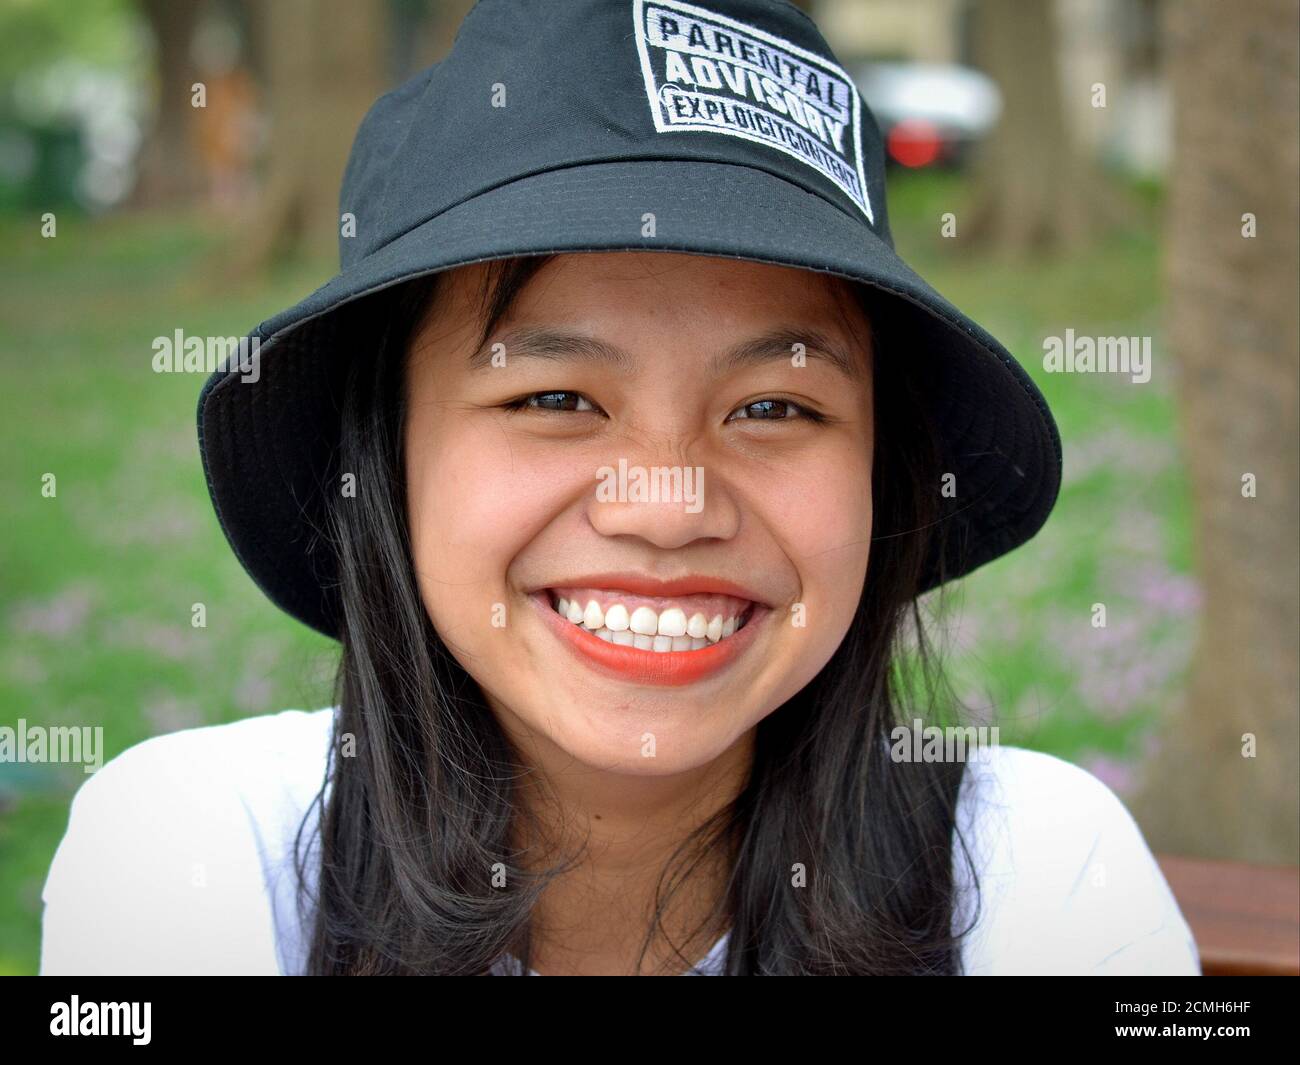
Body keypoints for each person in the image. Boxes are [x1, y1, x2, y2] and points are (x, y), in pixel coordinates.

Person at [40, 0, 1198, 975]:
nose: (666, 505)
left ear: (879, 473)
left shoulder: (1035, 872)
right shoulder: (201, 852)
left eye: (774, 408)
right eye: (555, 401)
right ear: (384, 461)